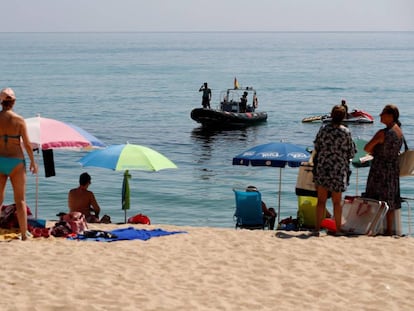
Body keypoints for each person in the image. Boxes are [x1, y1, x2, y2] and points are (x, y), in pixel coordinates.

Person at [0, 87, 38, 240]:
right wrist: (33, 162)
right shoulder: (19, 120)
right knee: (20, 200)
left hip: (0, 159)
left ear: (1, 102)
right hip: (16, 161)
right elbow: (28, 144)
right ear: (14, 102)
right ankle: (23, 234)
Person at [313, 105, 356, 235]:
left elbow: (317, 146)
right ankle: (338, 229)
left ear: (331, 115)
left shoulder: (324, 130)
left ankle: (316, 229)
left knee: (321, 201)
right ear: (343, 117)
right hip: (338, 170)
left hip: (323, 168)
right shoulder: (345, 132)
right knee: (337, 203)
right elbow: (351, 152)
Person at [363, 104, 403, 235]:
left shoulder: (382, 133)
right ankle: (389, 230)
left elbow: (367, 148)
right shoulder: (399, 131)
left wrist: (375, 150)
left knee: (375, 199)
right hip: (392, 170)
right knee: (390, 201)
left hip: (380, 170)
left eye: (383, 113)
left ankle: (371, 228)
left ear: (390, 116)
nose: (380, 115)